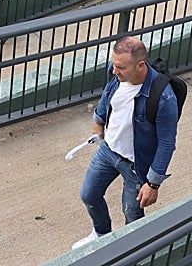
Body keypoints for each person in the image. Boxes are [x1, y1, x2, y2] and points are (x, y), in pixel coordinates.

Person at [73, 36, 178, 249]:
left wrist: (152, 184)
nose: (114, 71)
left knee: (132, 212)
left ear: (140, 66)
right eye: (114, 65)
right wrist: (98, 121)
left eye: (120, 67)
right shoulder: (118, 75)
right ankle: (101, 234)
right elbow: (108, 94)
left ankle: (132, 251)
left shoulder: (164, 98)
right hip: (108, 151)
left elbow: (167, 144)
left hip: (135, 165)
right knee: (89, 194)